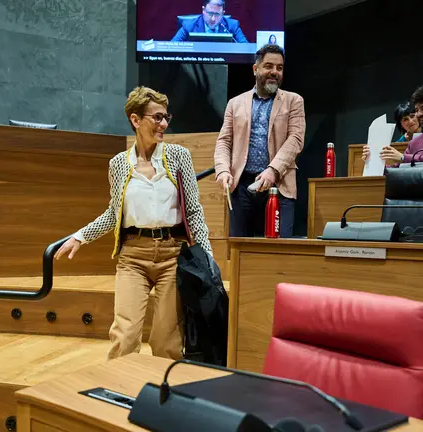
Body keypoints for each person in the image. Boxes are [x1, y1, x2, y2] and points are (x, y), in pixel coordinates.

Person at [54, 86, 212, 361]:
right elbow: (114, 214)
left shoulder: (179, 157)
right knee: (124, 336)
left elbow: (194, 212)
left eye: (166, 117)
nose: (163, 124)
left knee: (166, 341)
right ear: (135, 120)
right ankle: (117, 395)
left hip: (172, 255)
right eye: (157, 117)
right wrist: (80, 236)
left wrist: (207, 258)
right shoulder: (118, 164)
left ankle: (165, 399)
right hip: (133, 257)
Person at [214, 44, 306, 238]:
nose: (274, 72)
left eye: (279, 68)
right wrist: (222, 170)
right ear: (255, 69)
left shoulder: (294, 101)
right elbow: (224, 141)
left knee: (278, 253)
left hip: (278, 187)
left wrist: (272, 170)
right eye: (269, 66)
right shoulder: (235, 103)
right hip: (241, 187)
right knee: (239, 251)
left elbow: (296, 139)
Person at [171, 0, 248, 43]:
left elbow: (245, 47)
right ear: (203, 10)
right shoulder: (189, 25)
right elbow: (172, 46)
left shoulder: (232, 26)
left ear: (223, 13)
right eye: (210, 13)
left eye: (217, 14)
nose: (213, 19)